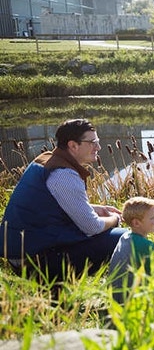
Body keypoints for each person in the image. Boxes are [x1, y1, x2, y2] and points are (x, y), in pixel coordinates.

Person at [1, 119, 127, 283]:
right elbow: (92, 227)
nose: (98, 147)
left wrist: (97, 209)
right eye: (92, 142)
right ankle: (124, 291)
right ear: (73, 145)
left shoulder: (45, 160)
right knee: (122, 237)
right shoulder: (64, 175)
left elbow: (54, 204)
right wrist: (115, 219)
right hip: (34, 263)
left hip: (24, 255)